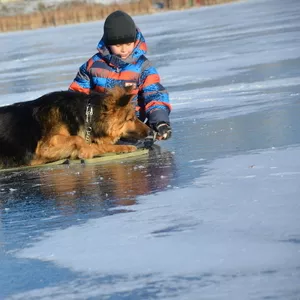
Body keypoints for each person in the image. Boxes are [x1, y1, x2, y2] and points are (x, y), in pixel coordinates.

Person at [69, 10, 172, 141]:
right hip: (101, 129)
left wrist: (160, 121)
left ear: (135, 41)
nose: (124, 49)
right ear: (108, 43)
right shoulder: (93, 66)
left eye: (128, 44)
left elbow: (155, 94)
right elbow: (76, 95)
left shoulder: (143, 67)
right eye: (118, 45)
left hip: (131, 127)